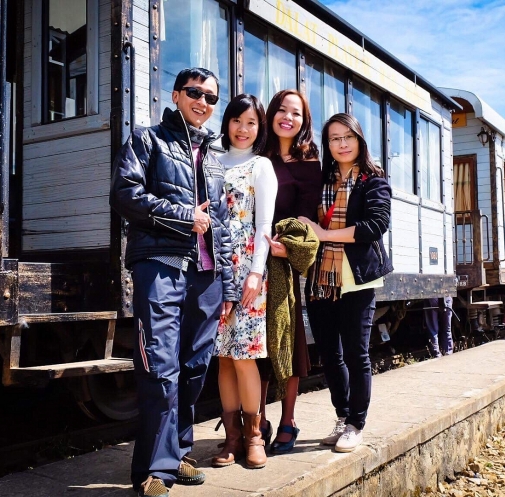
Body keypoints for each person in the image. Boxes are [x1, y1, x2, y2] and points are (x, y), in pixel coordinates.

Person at [110, 67, 235, 497]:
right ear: (177, 95)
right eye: (195, 93)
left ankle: (178, 453)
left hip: (207, 277)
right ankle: (154, 472)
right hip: (161, 266)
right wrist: (185, 217)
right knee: (160, 367)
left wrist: (230, 286)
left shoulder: (214, 158)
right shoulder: (147, 140)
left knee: (195, 368)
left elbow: (221, 227)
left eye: (211, 98)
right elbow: (124, 195)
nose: (203, 102)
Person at [299, 113, 393, 453]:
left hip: (355, 281)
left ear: (359, 140)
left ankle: (356, 424)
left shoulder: (373, 181)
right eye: (334, 138)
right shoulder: (321, 181)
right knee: (329, 353)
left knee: (356, 354)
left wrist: (325, 234)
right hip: (320, 279)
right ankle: (341, 417)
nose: (341, 143)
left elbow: (375, 225)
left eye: (347, 137)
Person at [212, 94, 277, 469]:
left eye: (251, 122)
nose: (243, 129)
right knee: (223, 356)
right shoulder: (211, 161)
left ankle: (254, 437)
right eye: (237, 120)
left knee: (245, 356)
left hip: (246, 268)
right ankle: (231, 439)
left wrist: (256, 271)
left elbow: (264, 225)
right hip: (215, 268)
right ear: (228, 122)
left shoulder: (260, 165)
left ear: (259, 127)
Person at [258, 89, 322, 454]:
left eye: (295, 113)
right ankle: (258, 420)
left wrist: (288, 245)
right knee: (256, 345)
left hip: (281, 262)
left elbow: (305, 216)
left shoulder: (308, 163)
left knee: (288, 340)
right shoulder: (258, 155)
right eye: (281, 110)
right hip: (251, 260)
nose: (287, 117)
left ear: (303, 122)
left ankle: (288, 419)